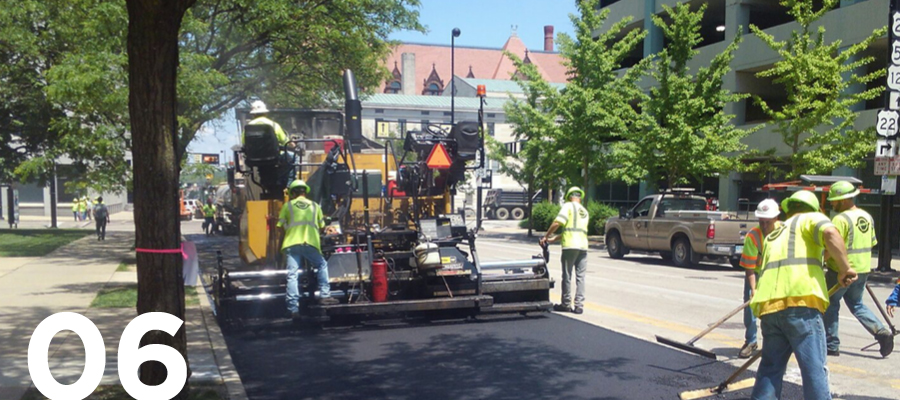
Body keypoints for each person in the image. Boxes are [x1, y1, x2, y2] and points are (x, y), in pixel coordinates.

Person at [750, 190, 857, 400]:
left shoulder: (775, 234)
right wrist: (845, 268)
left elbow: (812, 253)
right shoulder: (811, 218)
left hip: (769, 310)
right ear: (814, 208)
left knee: (770, 369)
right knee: (814, 369)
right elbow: (830, 234)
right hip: (800, 306)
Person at [824, 180, 894, 357]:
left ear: (845, 199)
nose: (832, 203)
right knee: (857, 304)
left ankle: (831, 344)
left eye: (835, 200)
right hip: (862, 270)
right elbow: (871, 243)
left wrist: (820, 260)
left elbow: (833, 246)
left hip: (841, 270)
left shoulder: (840, 219)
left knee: (829, 305)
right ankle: (881, 332)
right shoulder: (867, 216)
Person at [277, 179, 337, 317]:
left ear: (292, 193)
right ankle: (324, 295)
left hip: (291, 244)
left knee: (292, 275)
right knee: (321, 265)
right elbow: (322, 227)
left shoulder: (288, 206)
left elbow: (280, 227)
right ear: (305, 192)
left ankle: (293, 308)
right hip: (310, 243)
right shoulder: (315, 206)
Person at [736, 198, 782, 358]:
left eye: (767, 222)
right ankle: (751, 341)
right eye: (761, 221)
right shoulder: (753, 236)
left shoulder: (784, 232)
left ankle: (775, 342)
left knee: (775, 309)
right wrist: (754, 290)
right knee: (750, 308)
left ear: (776, 218)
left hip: (778, 273)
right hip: (757, 273)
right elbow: (749, 269)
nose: (763, 226)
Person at [540, 186, 590, 314]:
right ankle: (579, 305)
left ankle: (566, 304)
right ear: (580, 197)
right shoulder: (584, 211)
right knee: (581, 277)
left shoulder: (568, 206)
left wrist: (546, 236)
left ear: (568, 197)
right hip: (583, 247)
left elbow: (558, 223)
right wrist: (553, 239)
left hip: (570, 246)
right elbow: (571, 230)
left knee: (567, 275)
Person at [243, 100, 297, 187]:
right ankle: (289, 185)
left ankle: (267, 183)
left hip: (254, 160)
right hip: (274, 158)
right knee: (294, 157)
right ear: (265, 113)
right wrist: (294, 145)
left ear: (253, 114)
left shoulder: (248, 127)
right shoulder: (273, 125)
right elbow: (286, 141)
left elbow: (244, 143)